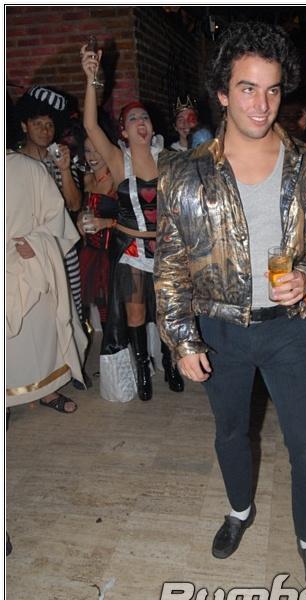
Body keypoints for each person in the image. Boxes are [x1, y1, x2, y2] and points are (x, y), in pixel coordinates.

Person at [155, 22, 306, 593]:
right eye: (247, 88)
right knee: (231, 433)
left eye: (272, 89)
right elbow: (170, 264)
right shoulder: (184, 175)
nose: (261, 104)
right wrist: (183, 340)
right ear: (222, 92)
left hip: (290, 329)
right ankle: (239, 510)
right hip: (220, 331)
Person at [81, 43, 184, 402]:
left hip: (166, 250)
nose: (141, 123)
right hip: (131, 250)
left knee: (167, 311)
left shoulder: (168, 159)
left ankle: (170, 361)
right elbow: (90, 124)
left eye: (145, 118)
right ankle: (142, 367)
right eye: (133, 119)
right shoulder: (117, 159)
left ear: (152, 126)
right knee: (136, 312)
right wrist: (91, 79)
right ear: (124, 131)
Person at [6, 151, 86, 415]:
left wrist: (37, 244)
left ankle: (46, 389)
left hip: (28, 264)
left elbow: (56, 217)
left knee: (38, 334)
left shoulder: (28, 168)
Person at [14, 86, 84, 328]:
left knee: (71, 312)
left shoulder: (61, 160)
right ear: (24, 126)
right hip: (25, 251)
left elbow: (74, 205)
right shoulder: (13, 162)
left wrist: (64, 169)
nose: (45, 130)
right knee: (35, 317)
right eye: (38, 124)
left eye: (50, 125)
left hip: (60, 247)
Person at [77, 134, 119, 332]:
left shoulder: (117, 179)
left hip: (115, 254)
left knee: (118, 311)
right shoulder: (86, 179)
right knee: (100, 309)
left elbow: (134, 221)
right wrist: (79, 220)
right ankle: (108, 348)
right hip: (91, 252)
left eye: (97, 150)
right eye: (87, 151)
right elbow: (81, 209)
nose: (92, 156)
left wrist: (106, 223)